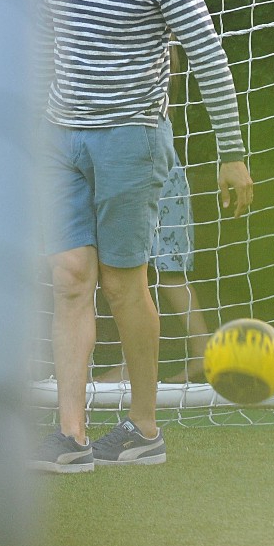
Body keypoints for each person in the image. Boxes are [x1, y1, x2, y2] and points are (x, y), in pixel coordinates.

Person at [33, 0, 253, 473]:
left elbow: (207, 55)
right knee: (69, 279)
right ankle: (70, 437)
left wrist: (232, 152)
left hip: (131, 139)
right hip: (60, 136)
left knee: (123, 283)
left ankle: (143, 428)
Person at [94, 156, 212, 385]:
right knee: (164, 271)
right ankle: (202, 350)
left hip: (140, 168)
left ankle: (132, 367)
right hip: (158, 167)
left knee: (136, 270)